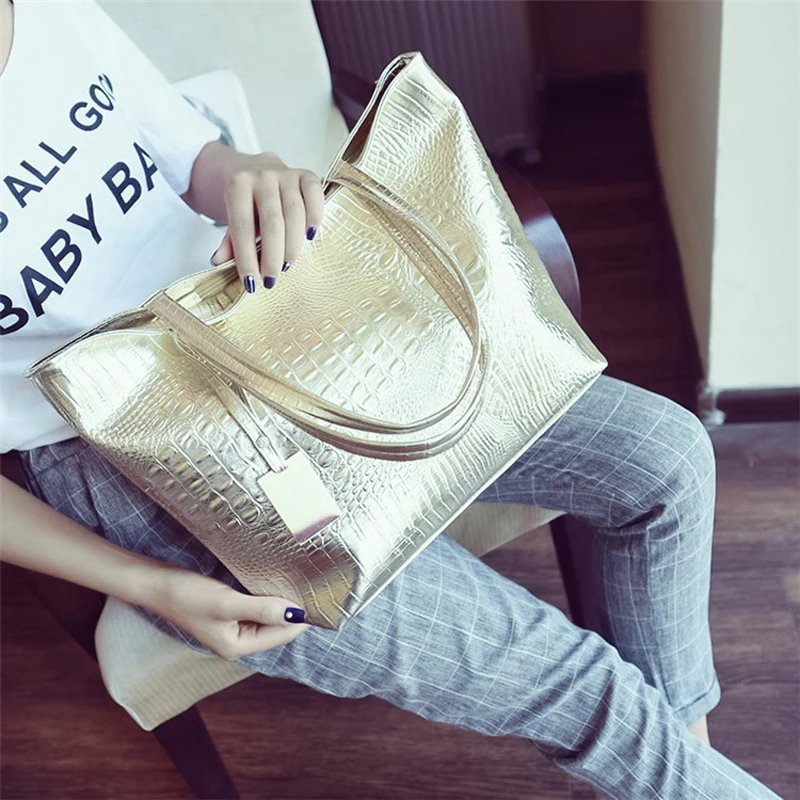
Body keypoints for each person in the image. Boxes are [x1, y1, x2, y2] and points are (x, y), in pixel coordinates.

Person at [0, 2, 780, 798]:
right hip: (142, 463)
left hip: (274, 325)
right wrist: (142, 584)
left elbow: (192, 158)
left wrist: (250, 176)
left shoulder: (49, 13)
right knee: (586, 693)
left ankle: (682, 768)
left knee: (666, 461)